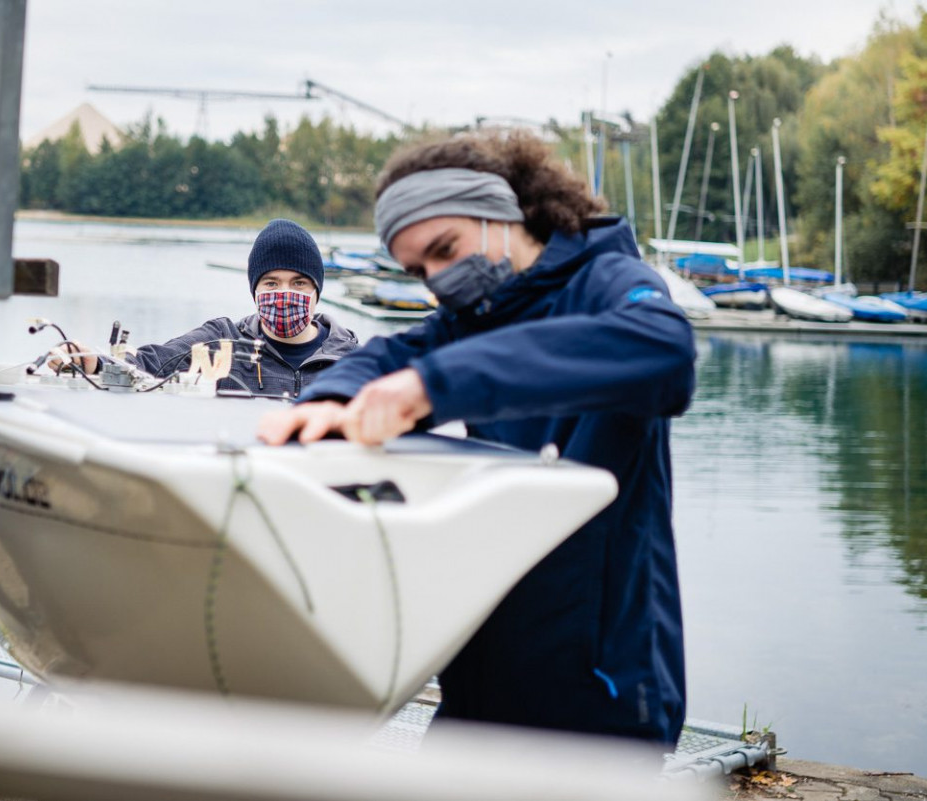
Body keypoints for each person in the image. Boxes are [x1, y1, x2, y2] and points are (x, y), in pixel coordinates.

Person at [257, 131, 696, 746]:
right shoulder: (475, 316)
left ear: (502, 213)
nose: (438, 281)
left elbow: (665, 352)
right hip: (482, 682)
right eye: (418, 270)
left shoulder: (611, 282)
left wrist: (433, 385)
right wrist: (326, 405)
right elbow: (391, 355)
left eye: (445, 250)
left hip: (605, 691)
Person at [53, 219, 359, 397]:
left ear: (317, 291)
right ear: (255, 290)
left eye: (299, 284)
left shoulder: (353, 359)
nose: (284, 293)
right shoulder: (221, 340)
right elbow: (148, 364)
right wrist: (92, 362)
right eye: (271, 283)